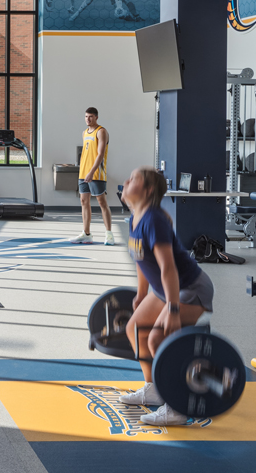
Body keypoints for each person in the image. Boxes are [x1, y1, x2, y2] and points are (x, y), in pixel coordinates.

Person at [118, 167, 215, 426]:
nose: (126, 181)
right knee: (135, 328)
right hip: (164, 288)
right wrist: (141, 293)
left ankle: (177, 406)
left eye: (133, 179)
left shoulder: (153, 220)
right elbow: (140, 259)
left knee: (159, 339)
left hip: (190, 287)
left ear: (148, 190)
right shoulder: (135, 218)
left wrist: (172, 309)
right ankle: (155, 389)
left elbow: (168, 267)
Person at [71, 107, 113, 246]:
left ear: (96, 117)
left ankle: (109, 234)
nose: (88, 119)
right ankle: (87, 234)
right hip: (83, 173)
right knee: (84, 202)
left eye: (90, 116)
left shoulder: (101, 132)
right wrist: (83, 171)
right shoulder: (84, 133)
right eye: (86, 117)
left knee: (102, 202)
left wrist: (91, 172)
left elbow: (100, 154)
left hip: (96, 173)